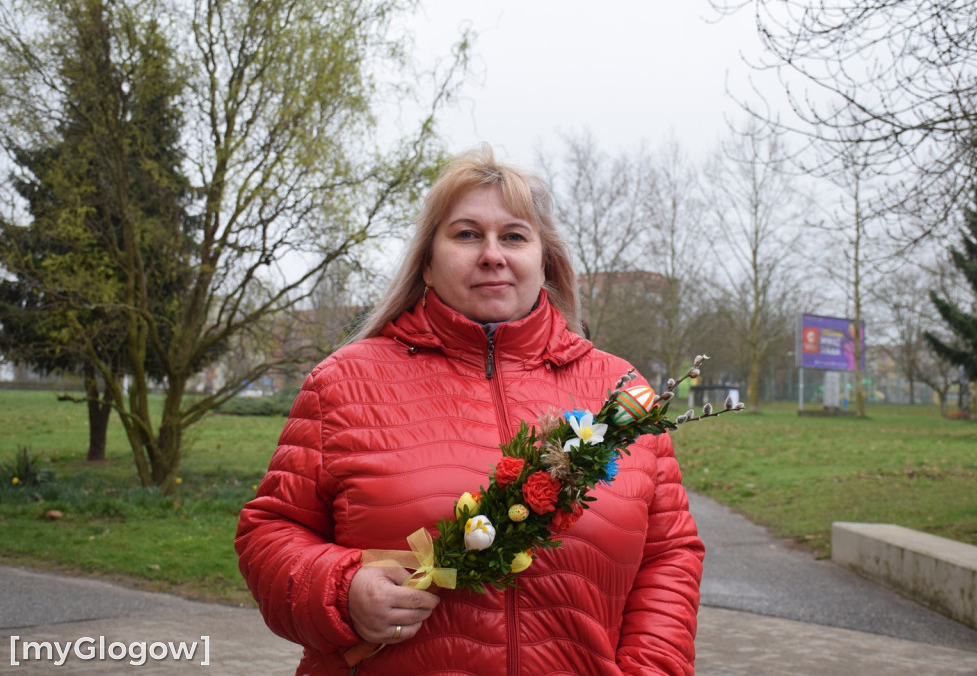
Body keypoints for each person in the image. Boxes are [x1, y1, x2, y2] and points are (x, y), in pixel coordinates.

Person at [235, 145, 705, 675]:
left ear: (543, 261)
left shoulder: (619, 391)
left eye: (513, 236)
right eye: (465, 234)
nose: (492, 254)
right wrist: (342, 590)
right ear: (427, 266)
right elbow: (269, 533)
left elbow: (670, 555)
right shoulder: (344, 383)